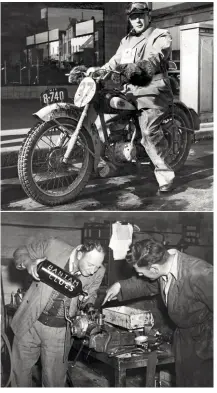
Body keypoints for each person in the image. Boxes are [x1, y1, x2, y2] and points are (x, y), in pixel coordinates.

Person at [103, 238, 213, 387]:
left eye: (140, 273)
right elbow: (148, 284)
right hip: (185, 339)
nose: (140, 276)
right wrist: (120, 286)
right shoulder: (165, 266)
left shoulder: (200, 273)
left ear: (154, 268)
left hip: (205, 342)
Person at [96, 2, 175, 193]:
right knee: (104, 123)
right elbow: (115, 61)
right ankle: (113, 162)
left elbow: (155, 59)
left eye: (141, 15)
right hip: (130, 91)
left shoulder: (160, 35)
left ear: (149, 16)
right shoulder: (127, 41)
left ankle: (165, 175)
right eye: (133, 16)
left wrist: (134, 69)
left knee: (148, 132)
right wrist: (98, 71)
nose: (137, 20)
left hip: (153, 91)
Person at [11, 236, 105, 387]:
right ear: (80, 253)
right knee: (19, 373)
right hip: (31, 322)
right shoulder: (53, 246)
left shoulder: (98, 272)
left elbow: (91, 294)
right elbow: (20, 252)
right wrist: (29, 263)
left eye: (97, 266)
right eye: (90, 265)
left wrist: (89, 305)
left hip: (59, 332)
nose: (93, 271)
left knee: (54, 382)